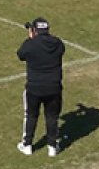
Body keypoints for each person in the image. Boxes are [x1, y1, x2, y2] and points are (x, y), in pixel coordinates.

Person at [16, 17, 65, 157]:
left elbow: (20, 55)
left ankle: (27, 145)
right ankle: (52, 147)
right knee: (52, 117)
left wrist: (31, 40)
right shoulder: (58, 43)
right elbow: (60, 50)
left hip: (34, 88)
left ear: (35, 31)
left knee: (31, 115)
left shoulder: (30, 44)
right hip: (54, 87)